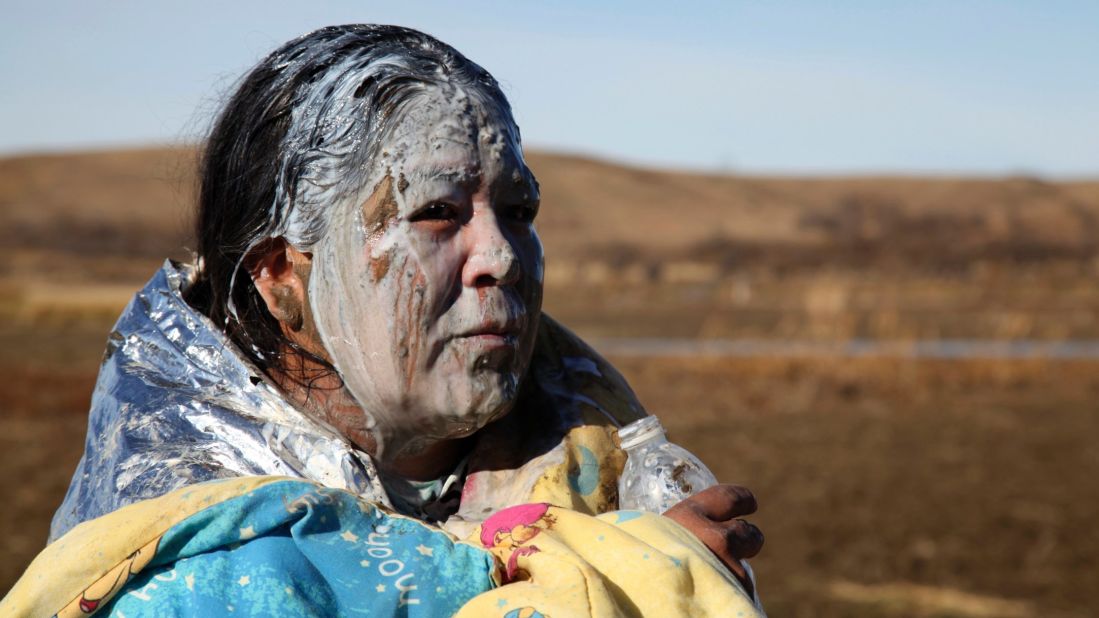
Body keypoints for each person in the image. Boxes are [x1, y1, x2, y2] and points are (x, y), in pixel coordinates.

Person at [4, 25, 763, 617]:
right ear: (280, 275)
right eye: (433, 213)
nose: (501, 254)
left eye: (518, 210)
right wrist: (610, 585)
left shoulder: (622, 484)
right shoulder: (191, 578)